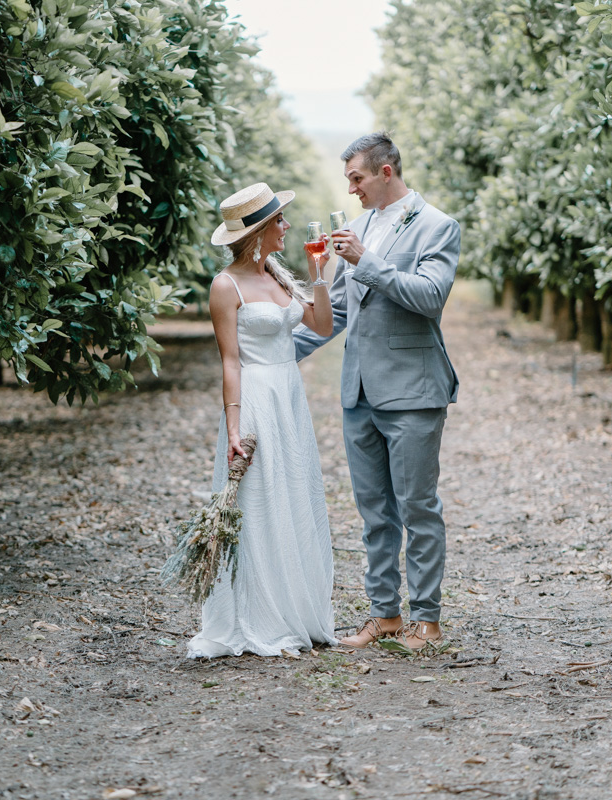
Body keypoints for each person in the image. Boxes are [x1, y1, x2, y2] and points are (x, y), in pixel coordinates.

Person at [293, 132, 461, 652]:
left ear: (385, 172)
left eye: (357, 178)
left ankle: (427, 620)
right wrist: (278, 355)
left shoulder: (437, 225)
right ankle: (384, 615)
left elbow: (430, 297)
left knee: (417, 508)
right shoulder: (359, 226)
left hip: (413, 391)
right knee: (374, 512)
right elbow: (343, 308)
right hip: (359, 393)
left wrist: (366, 260)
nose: (352, 189)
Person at [186, 182, 338, 658]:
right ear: (258, 232)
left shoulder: (278, 275)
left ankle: (296, 607)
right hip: (254, 398)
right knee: (259, 501)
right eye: (280, 221)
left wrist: (318, 276)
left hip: (288, 397)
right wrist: (234, 428)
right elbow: (230, 362)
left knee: (291, 492)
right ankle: (257, 614)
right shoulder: (225, 286)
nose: (287, 226)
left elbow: (322, 326)